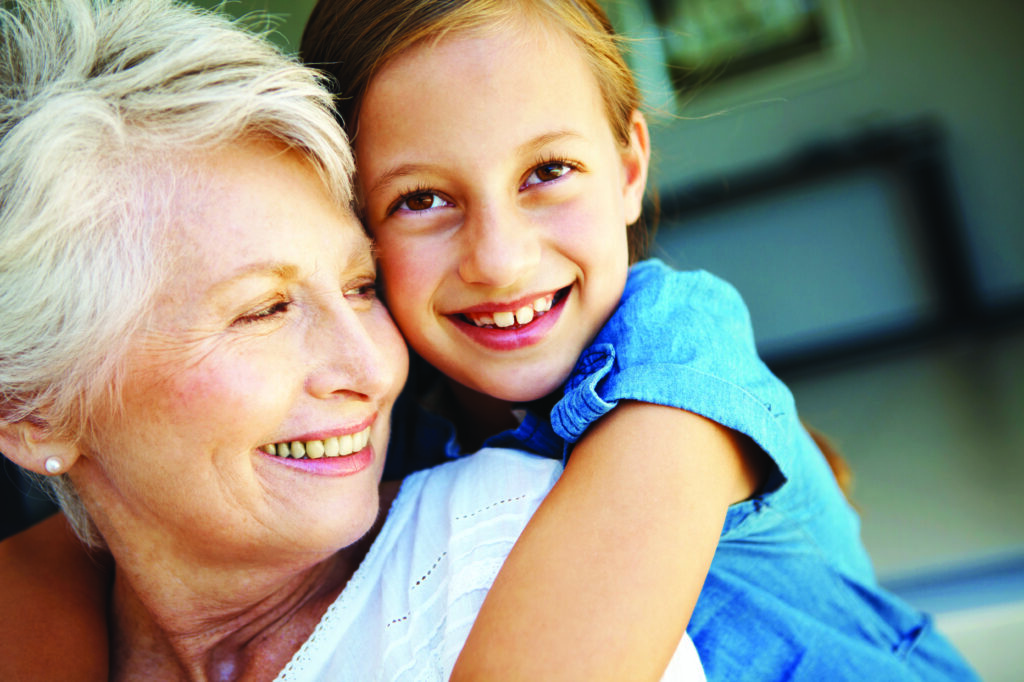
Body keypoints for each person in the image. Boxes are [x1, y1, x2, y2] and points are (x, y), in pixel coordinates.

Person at [0, 1, 711, 680]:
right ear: (33, 411)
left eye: (360, 286)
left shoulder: (516, 552)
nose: (373, 367)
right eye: (265, 310)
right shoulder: (43, 617)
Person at [299, 1, 981, 679]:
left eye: (547, 171)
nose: (500, 260)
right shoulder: (391, 427)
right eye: (421, 199)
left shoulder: (679, 341)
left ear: (628, 171)